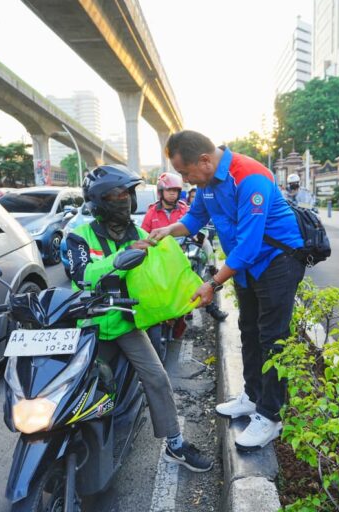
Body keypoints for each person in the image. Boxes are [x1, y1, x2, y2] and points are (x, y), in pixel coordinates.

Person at [149, 130, 306, 451]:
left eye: (185, 172)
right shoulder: (206, 186)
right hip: (247, 264)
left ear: (205, 160)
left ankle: (271, 416)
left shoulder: (250, 177)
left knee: (273, 338)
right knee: (248, 329)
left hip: (277, 261)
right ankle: (252, 396)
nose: (185, 179)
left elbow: (249, 244)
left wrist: (212, 283)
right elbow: (193, 221)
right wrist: (165, 230)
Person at [64, 164, 212, 472]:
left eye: (128, 194)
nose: (126, 200)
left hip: (127, 323)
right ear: (99, 200)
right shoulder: (79, 238)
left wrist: (192, 294)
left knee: (157, 378)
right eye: (118, 194)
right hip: (89, 326)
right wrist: (119, 258)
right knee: (73, 386)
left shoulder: (143, 234)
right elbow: (81, 277)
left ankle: (175, 444)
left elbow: (170, 271)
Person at [142, 172, 228, 321]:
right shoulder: (151, 212)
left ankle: (211, 307)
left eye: (175, 191)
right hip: (160, 257)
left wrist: (196, 236)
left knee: (194, 277)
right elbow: (143, 234)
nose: (172, 194)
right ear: (161, 192)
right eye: (169, 191)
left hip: (182, 253)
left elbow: (196, 226)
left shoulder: (184, 209)